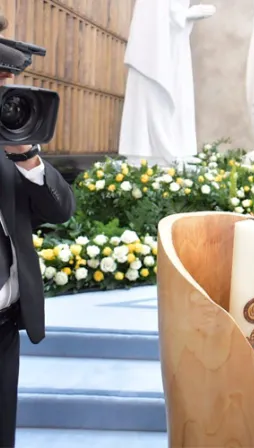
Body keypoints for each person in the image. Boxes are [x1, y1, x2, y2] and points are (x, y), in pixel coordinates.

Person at [0, 19, 77, 447]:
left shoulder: (13, 143)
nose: (7, 92)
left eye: (9, 81)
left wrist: (26, 156)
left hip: (5, 328)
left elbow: (60, 209)